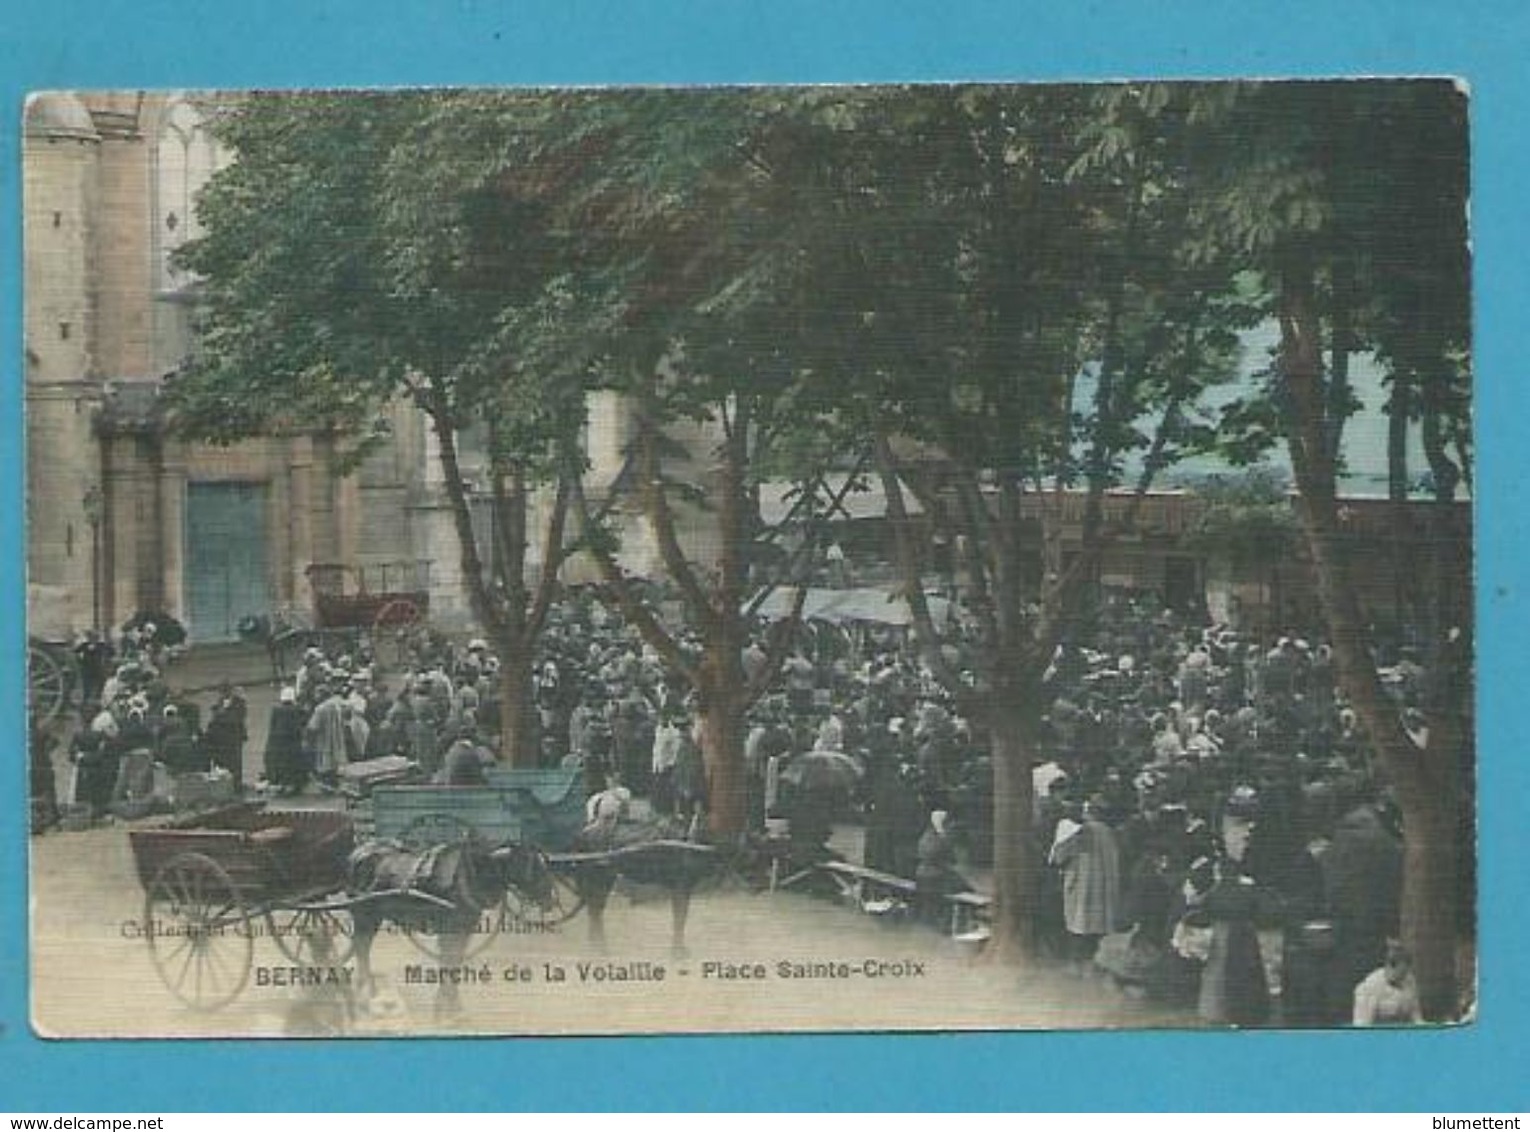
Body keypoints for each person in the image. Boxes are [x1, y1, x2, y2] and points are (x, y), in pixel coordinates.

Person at [1049, 798, 1124, 975]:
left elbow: (1058, 858)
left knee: (1079, 923)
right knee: (1096, 924)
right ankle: (1092, 961)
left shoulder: (1080, 833)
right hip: (1103, 886)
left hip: (1082, 884)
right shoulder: (1110, 833)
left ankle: (1076, 964)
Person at [1353, 939, 1423, 1026]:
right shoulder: (1370, 987)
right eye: (1401, 973)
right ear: (1389, 966)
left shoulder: (1409, 980)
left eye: (1406, 973)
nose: (1404, 978)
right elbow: (1363, 1025)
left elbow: (1416, 1017)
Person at [203, 683, 249, 790]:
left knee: (235, 762)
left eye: (225, 691)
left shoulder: (239, 703)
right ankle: (224, 784)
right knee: (222, 762)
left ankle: (236, 784)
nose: (223, 694)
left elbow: (237, 718)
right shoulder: (219, 703)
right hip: (221, 738)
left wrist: (221, 714)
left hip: (234, 737)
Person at [264, 686, 308, 794]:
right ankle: (291, 785)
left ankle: (279, 784)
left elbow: (272, 727)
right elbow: (301, 724)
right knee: (291, 764)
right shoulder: (296, 710)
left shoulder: (276, 710)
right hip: (291, 743)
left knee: (278, 764)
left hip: (275, 742)